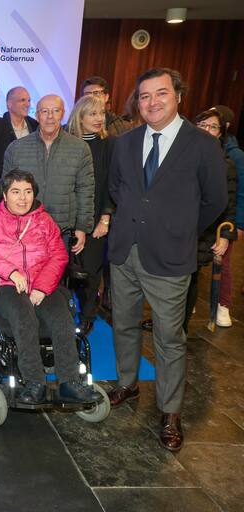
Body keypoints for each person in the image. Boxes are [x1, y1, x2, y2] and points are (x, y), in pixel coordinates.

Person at [107, 68, 228, 452]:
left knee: (169, 337)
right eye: (144, 96)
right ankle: (127, 384)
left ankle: (170, 411)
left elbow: (215, 200)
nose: (152, 102)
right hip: (125, 251)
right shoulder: (125, 143)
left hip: (171, 256)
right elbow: (116, 189)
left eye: (160, 93)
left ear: (178, 96)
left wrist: (181, 230)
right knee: (123, 323)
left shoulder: (203, 145)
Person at [0, 170, 101, 404]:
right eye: (16, 192)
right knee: (24, 316)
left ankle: (69, 382)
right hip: (7, 285)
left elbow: (59, 255)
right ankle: (34, 382)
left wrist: (41, 287)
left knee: (62, 317)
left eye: (28, 192)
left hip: (42, 283)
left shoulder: (44, 220)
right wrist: (10, 271)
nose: (22, 198)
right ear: (5, 195)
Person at [3, 94, 95, 256]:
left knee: (56, 273)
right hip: (24, 230)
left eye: (56, 111)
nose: (50, 116)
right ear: (37, 115)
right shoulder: (16, 148)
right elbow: (5, 191)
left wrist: (82, 227)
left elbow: (86, 190)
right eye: (45, 111)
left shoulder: (80, 149)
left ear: (63, 114)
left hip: (62, 232)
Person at [66, 95, 114, 334]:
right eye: (93, 114)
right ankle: (65, 311)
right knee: (66, 269)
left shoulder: (108, 145)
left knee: (92, 270)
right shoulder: (66, 142)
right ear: (80, 117)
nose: (99, 118)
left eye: (102, 113)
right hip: (67, 217)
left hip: (95, 219)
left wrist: (105, 218)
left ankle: (87, 316)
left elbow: (111, 184)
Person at [187, 109, 237, 329]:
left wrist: (225, 235)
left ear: (220, 133)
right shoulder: (181, 156)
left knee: (190, 277)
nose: (207, 130)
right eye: (203, 125)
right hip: (177, 227)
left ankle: (180, 327)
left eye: (213, 126)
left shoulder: (225, 164)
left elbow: (230, 203)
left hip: (204, 230)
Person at [211, 105, 244, 297]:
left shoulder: (236, 155)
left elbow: (240, 193)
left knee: (222, 264)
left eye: (214, 123)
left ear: (225, 126)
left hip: (226, 219)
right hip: (208, 216)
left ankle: (223, 304)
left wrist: (239, 224)